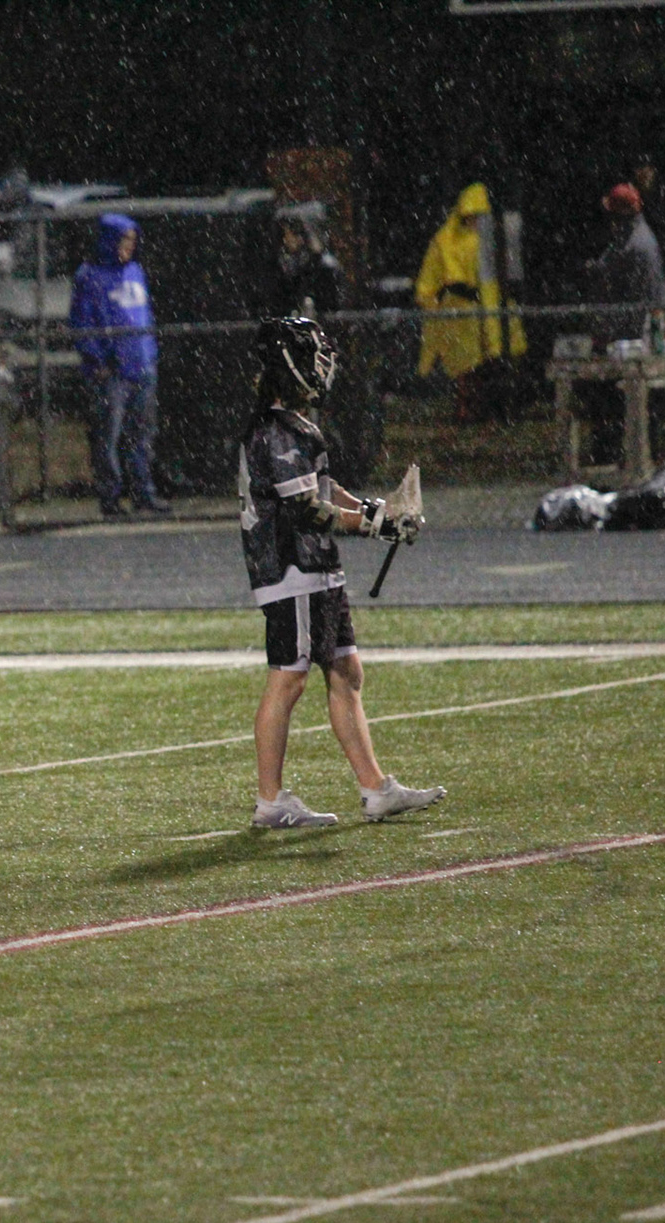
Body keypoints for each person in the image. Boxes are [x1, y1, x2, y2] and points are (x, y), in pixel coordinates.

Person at [241, 318, 445, 829]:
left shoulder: (295, 427)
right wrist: (370, 525)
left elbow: (326, 491)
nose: (323, 367)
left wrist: (377, 511)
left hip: (316, 567)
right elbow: (307, 509)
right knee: (289, 679)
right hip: (291, 567)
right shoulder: (277, 432)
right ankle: (270, 801)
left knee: (346, 673)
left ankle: (375, 789)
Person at [71, 213, 168, 518]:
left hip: (142, 365)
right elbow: (82, 321)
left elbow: (144, 315)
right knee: (108, 437)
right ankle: (110, 497)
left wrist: (149, 352)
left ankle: (143, 493)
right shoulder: (90, 276)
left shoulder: (135, 271)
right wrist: (97, 359)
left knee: (142, 435)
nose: (129, 246)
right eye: (124, 240)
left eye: (132, 241)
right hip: (111, 371)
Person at [414, 182, 527, 422]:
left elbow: (506, 278)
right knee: (465, 367)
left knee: (495, 362)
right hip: (462, 312)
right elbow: (428, 282)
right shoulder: (445, 241)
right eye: (471, 216)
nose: (475, 222)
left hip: (492, 308)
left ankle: (494, 410)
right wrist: (433, 306)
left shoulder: (492, 241)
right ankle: (467, 410)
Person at [585, 182, 665, 330]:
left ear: (621, 214)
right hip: (635, 321)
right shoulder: (634, 234)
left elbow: (608, 274)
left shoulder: (633, 242)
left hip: (632, 328)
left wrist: (591, 269)